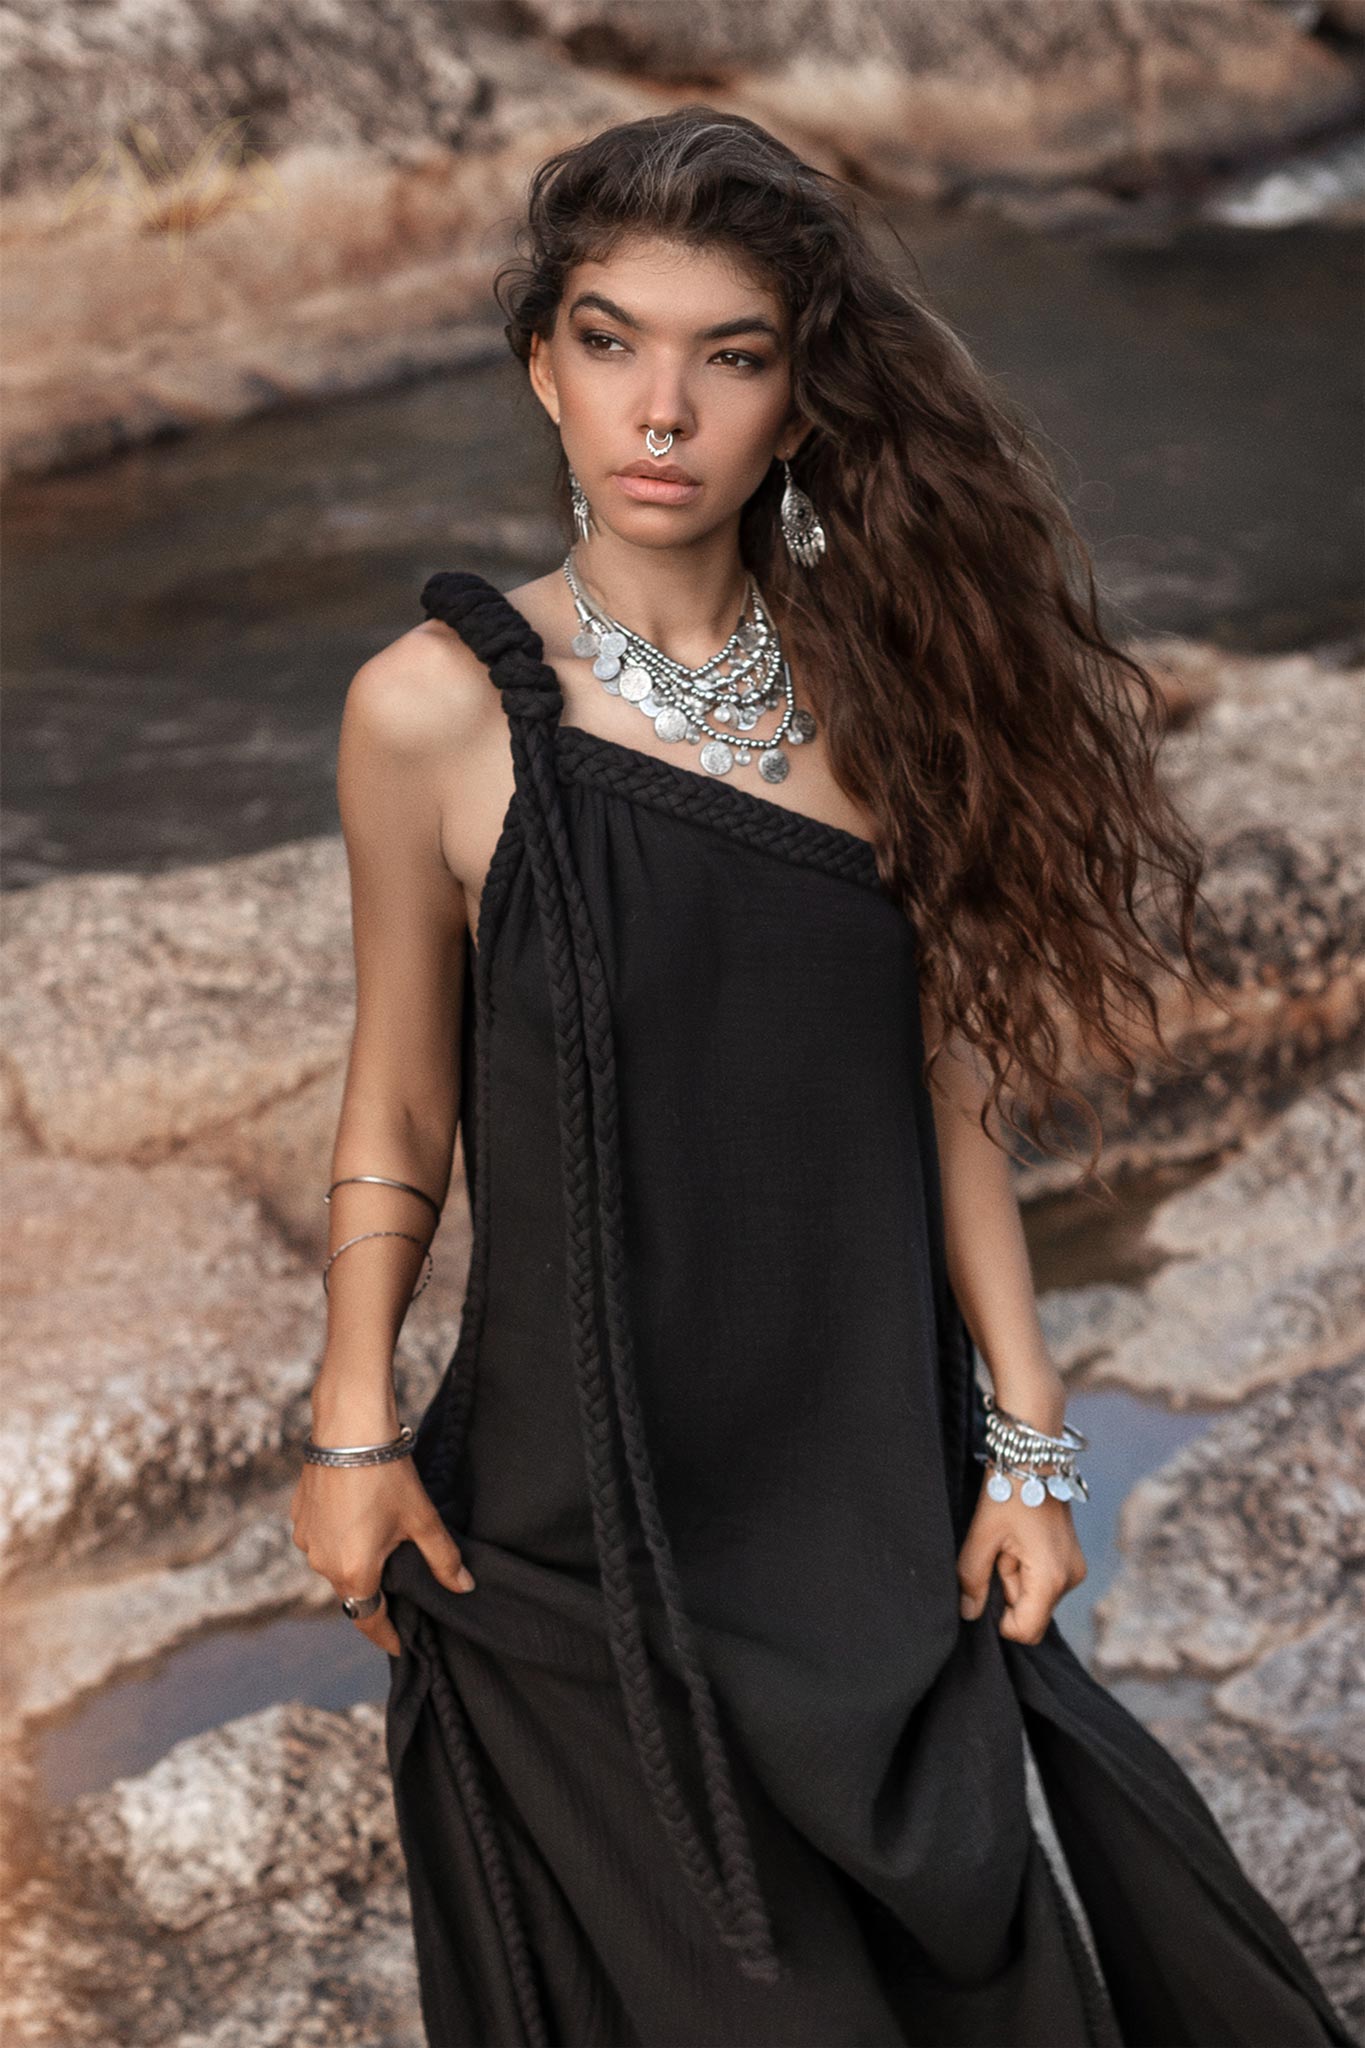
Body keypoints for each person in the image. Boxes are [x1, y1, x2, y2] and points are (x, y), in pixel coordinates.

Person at [289, 106, 1353, 2048]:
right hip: (571, 1522)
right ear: (540, 367)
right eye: (609, 341)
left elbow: (945, 1083)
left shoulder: (884, 684)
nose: (660, 409)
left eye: (730, 354)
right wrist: (351, 1424)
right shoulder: (432, 715)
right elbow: (397, 1111)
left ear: (799, 395)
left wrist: (1027, 1438)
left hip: (856, 1498)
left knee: (961, 1972)